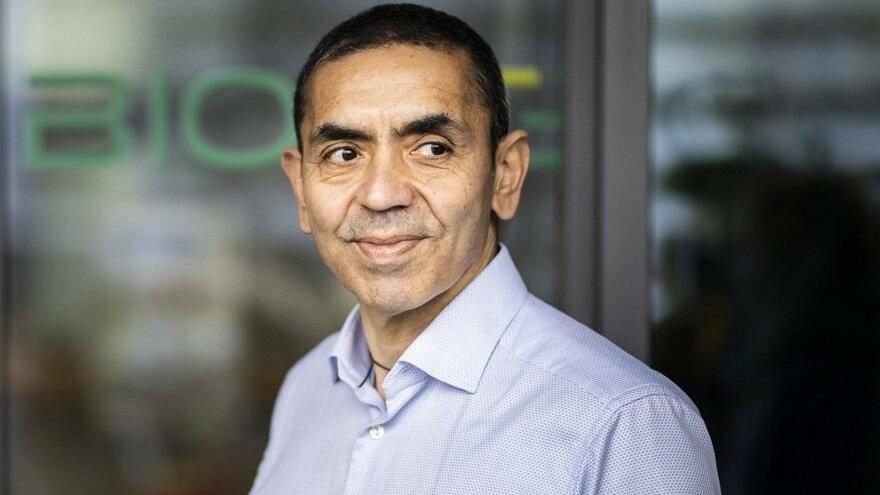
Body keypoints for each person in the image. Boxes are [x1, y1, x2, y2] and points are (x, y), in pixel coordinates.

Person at [251, 3, 721, 494]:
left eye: (432, 148)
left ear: (505, 175)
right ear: (301, 189)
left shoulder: (625, 427)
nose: (382, 195)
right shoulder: (307, 389)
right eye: (344, 153)